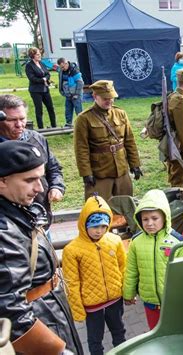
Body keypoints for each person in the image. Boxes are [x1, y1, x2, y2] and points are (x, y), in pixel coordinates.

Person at [0, 140, 82, 354]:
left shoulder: (13, 206)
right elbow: (10, 309)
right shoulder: (4, 232)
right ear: (2, 181)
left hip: (49, 310)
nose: (40, 188)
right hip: (41, 319)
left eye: (40, 177)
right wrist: (56, 351)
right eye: (30, 180)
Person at [62, 195, 126, 355]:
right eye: (95, 226)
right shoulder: (71, 250)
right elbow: (71, 282)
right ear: (84, 224)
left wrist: (128, 291)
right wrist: (77, 309)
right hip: (92, 306)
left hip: (115, 300)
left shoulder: (115, 241)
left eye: (104, 226)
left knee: (119, 332)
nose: (99, 231)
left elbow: (123, 267)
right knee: (94, 340)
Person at [123, 189, 183, 330]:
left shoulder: (178, 242)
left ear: (165, 217)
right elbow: (131, 270)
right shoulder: (136, 242)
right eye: (145, 219)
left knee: (175, 331)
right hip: (150, 301)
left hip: (173, 301)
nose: (150, 223)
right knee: (154, 332)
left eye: (154, 218)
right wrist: (128, 293)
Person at [0, 94, 65, 228]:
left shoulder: (37, 139)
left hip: (40, 218)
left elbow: (53, 168)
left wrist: (56, 187)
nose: (19, 125)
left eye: (22, 119)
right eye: (12, 120)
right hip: (8, 226)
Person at [74, 80, 142, 201]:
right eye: (105, 98)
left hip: (121, 170)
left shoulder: (120, 114)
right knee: (98, 209)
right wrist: (86, 173)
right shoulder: (84, 119)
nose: (109, 100)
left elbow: (129, 141)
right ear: (95, 96)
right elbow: (81, 149)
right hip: (100, 172)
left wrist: (135, 164)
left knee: (125, 207)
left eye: (111, 97)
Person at [25, 47, 56, 129]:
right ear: (33, 55)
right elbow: (32, 78)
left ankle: (54, 126)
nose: (40, 55)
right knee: (39, 110)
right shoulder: (29, 65)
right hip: (35, 91)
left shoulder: (41, 63)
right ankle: (41, 128)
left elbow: (48, 74)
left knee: (51, 108)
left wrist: (46, 78)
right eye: (38, 54)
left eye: (39, 54)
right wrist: (42, 80)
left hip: (45, 89)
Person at [57, 57, 84, 128]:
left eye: (63, 67)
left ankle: (82, 125)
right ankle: (68, 124)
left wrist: (76, 94)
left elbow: (80, 83)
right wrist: (62, 91)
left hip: (76, 95)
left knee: (79, 110)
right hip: (67, 95)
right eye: (60, 67)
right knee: (68, 110)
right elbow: (61, 82)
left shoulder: (74, 70)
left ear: (66, 63)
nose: (62, 69)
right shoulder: (61, 71)